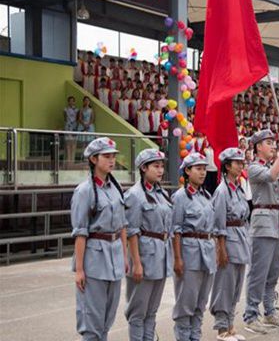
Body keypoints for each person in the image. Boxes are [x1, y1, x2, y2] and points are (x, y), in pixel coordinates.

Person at [70, 137, 128, 340]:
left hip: (114, 257)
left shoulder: (115, 188)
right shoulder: (84, 191)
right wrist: (79, 269)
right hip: (94, 259)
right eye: (106, 156)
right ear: (94, 159)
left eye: (113, 156)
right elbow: (80, 232)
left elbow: (122, 225)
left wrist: (125, 257)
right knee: (92, 320)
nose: (112, 160)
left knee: (107, 317)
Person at [243, 129, 279, 335]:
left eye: (274, 143)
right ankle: (251, 314)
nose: (273, 146)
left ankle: (270, 310)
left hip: (276, 222)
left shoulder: (273, 164)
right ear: (257, 147)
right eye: (268, 143)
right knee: (258, 272)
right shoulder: (254, 167)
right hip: (262, 221)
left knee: (273, 272)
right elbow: (272, 175)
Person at [124, 149, 173, 341]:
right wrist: (136, 263)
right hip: (144, 257)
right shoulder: (135, 195)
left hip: (160, 257)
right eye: (156, 166)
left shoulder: (161, 193)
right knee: (138, 312)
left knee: (152, 311)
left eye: (162, 166)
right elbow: (132, 232)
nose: (160, 170)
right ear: (144, 168)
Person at [171, 153, 216, 341]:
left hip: (206, 252)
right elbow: (176, 230)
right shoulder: (180, 197)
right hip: (189, 254)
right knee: (186, 304)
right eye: (198, 168)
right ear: (187, 171)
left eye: (204, 169)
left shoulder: (206, 195)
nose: (203, 172)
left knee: (200, 303)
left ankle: (195, 338)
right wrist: (178, 258)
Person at [210, 148, 250, 341]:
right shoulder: (222, 191)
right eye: (237, 163)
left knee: (236, 285)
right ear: (227, 166)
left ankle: (230, 324)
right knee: (224, 285)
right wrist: (221, 248)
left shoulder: (239, 188)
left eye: (242, 162)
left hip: (240, 238)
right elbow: (218, 224)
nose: (241, 165)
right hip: (228, 240)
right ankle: (221, 328)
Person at [64, 96, 79, 166]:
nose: (71, 102)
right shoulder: (65, 109)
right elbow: (65, 118)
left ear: (74, 102)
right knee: (68, 144)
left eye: (72, 100)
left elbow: (77, 118)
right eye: (70, 100)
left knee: (73, 144)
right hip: (68, 127)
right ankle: (68, 161)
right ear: (68, 101)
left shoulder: (77, 110)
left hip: (74, 127)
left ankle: (72, 161)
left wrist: (75, 126)